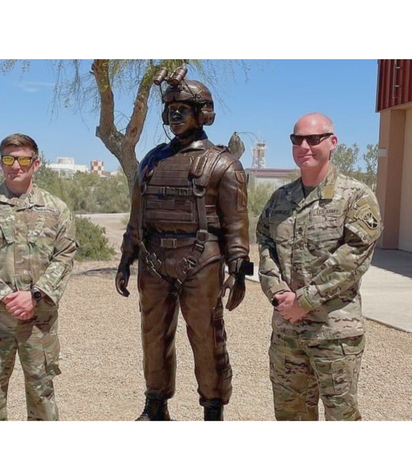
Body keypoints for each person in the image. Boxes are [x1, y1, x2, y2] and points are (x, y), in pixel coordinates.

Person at [115, 68, 251, 421]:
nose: (175, 115)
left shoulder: (224, 164)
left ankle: (212, 409)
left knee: (207, 337)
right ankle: (155, 404)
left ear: (203, 113)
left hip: (203, 259)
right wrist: (126, 257)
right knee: (153, 334)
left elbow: (237, 225)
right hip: (154, 260)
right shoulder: (152, 161)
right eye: (170, 108)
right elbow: (138, 217)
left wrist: (238, 270)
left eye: (183, 108)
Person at [257, 113, 382, 421]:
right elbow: (265, 246)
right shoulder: (280, 200)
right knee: (291, 418)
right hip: (287, 331)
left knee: (342, 418)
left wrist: (305, 300)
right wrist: (279, 294)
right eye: (297, 139)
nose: (305, 146)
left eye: (314, 139)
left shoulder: (355, 196)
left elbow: (354, 257)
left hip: (334, 333)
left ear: (332, 142)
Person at [0, 133, 78, 421]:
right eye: (9, 159)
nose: (16, 165)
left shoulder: (56, 209)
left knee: (42, 397)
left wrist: (34, 296)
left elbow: (65, 255)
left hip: (39, 322)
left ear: (36, 164)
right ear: (0, 163)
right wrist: (4, 297)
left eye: (24, 159)